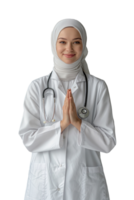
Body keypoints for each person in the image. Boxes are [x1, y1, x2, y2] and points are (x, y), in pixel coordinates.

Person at [18, 17, 117, 200]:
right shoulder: (36, 86)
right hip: (44, 185)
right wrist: (62, 125)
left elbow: (108, 143)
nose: (69, 49)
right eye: (62, 42)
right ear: (53, 43)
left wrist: (78, 123)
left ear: (84, 45)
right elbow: (27, 140)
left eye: (76, 42)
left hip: (85, 188)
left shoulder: (98, 86)